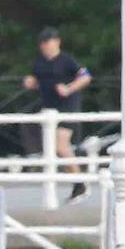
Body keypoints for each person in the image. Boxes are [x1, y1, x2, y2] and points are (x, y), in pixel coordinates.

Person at [23, 27, 93, 203]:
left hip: (67, 106)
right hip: (49, 111)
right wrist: (30, 82)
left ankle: (80, 182)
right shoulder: (39, 63)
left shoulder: (66, 60)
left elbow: (85, 76)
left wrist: (69, 89)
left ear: (57, 42)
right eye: (43, 43)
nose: (45, 46)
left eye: (48, 42)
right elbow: (37, 81)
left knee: (60, 145)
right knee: (55, 148)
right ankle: (76, 182)